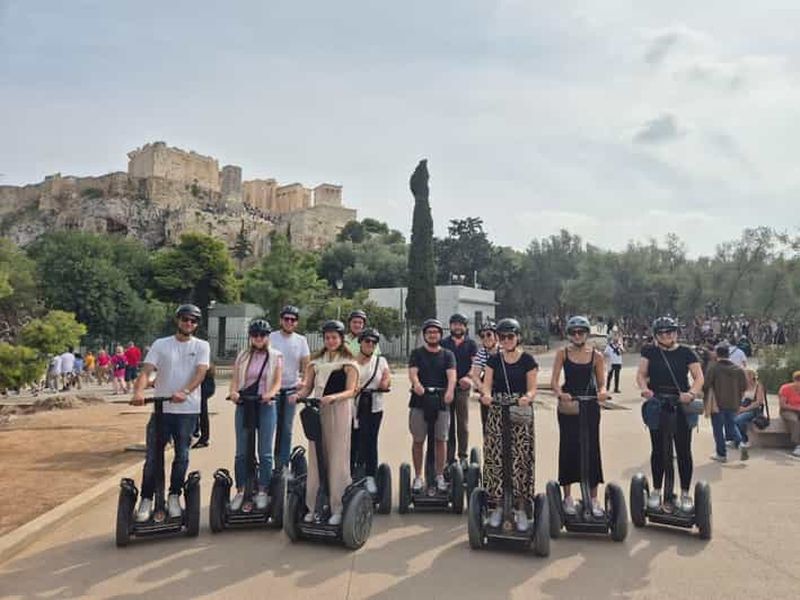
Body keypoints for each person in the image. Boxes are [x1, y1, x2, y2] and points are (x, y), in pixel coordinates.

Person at [131, 304, 210, 522]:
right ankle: (147, 499)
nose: (189, 324)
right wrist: (138, 391)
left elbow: (200, 373)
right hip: (162, 410)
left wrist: (185, 391)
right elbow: (147, 370)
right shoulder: (161, 344)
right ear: (178, 320)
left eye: (193, 321)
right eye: (185, 319)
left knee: (182, 455)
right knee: (153, 457)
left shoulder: (202, 346)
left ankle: (174, 495)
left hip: (187, 410)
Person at [636, 316, 704, 513]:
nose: (666, 336)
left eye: (670, 332)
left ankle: (684, 493)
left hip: (680, 403)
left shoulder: (686, 352)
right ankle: (657, 490)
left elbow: (698, 376)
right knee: (658, 449)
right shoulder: (650, 351)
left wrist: (691, 393)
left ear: (676, 333)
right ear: (656, 335)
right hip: (658, 402)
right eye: (662, 333)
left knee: (683, 449)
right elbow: (641, 374)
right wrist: (644, 389)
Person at [295, 320, 358, 525]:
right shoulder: (316, 362)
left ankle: (338, 507)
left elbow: (352, 390)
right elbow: (307, 387)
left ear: (341, 339)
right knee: (316, 455)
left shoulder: (349, 363)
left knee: (338, 456)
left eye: (334, 337)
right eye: (327, 337)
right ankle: (314, 505)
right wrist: (297, 396)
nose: (330, 341)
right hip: (318, 409)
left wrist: (335, 397)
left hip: (339, 409)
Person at [480, 318, 539, 532]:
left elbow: (532, 388)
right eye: (502, 337)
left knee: (521, 458)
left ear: (517, 337)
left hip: (519, 411)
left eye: (510, 336)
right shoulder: (494, 360)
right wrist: (486, 396)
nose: (506, 340)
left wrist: (527, 397)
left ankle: (521, 508)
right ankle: (497, 507)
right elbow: (486, 386)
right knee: (496, 458)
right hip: (497, 410)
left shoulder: (528, 360)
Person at [550, 315, 609, 518]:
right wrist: (560, 393)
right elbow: (555, 382)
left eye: (581, 332)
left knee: (592, 448)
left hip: (590, 405)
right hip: (569, 405)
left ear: (586, 333)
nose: (577, 335)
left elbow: (602, 382)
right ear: (569, 335)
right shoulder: (562, 353)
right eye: (574, 333)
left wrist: (602, 392)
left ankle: (593, 498)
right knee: (568, 447)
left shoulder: (596, 356)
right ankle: (567, 496)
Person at [227, 319, 283, 509]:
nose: (259, 338)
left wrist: (271, 394)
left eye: (262, 335)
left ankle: (263, 489)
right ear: (250, 337)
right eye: (255, 335)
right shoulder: (242, 356)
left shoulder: (276, 356)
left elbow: (277, 381)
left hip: (265, 405)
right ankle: (241, 489)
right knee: (241, 452)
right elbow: (234, 379)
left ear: (268, 337)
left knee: (265, 451)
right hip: (245, 404)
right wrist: (233, 392)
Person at [407, 318, 456, 493]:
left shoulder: (447, 354)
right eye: (429, 332)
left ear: (440, 335)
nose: (432, 335)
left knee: (440, 439)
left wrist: (450, 391)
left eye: (435, 332)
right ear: (425, 335)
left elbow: (452, 375)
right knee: (418, 440)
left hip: (440, 401)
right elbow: (413, 373)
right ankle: (419, 476)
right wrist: (417, 385)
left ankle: (439, 475)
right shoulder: (417, 353)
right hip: (420, 401)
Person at [268, 305, 310, 468]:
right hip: (273, 390)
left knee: (286, 428)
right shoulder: (271, 337)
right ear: (281, 320)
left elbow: (307, 364)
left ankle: (283, 464)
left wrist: (304, 381)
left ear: (296, 323)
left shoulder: (301, 340)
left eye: (293, 320)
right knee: (270, 427)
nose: (289, 322)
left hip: (291, 388)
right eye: (286, 319)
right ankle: (269, 463)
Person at [351, 328, 392, 491]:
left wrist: (385, 383)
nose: (370, 345)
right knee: (353, 440)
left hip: (374, 406)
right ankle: (352, 473)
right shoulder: (351, 362)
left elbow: (387, 377)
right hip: (353, 407)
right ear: (360, 342)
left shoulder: (380, 362)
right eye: (367, 341)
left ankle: (370, 476)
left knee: (370, 440)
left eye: (374, 342)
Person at [441, 313, 478, 465]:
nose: (457, 327)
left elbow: (475, 365)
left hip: (462, 388)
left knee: (462, 423)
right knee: (447, 423)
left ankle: (463, 456)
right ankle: (449, 458)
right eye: (454, 324)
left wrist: (468, 377)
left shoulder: (471, 344)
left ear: (465, 326)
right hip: (446, 388)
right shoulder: (444, 343)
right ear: (450, 326)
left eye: (460, 324)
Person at [704, 344, 748, 462]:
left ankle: (721, 454)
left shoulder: (714, 368)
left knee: (718, 428)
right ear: (728, 354)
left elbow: (706, 384)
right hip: (734, 402)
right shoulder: (739, 369)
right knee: (731, 425)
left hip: (717, 403)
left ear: (717, 354)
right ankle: (741, 443)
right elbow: (744, 387)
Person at [470, 321, 498, 433]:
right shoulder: (481, 353)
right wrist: (484, 390)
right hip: (487, 392)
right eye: (482, 336)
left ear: (496, 335)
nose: (486, 338)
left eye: (489, 334)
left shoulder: (503, 350)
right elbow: (475, 376)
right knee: (487, 426)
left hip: (503, 392)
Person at [735, 369, 766, 450]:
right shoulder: (743, 386)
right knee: (729, 417)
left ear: (751, 376)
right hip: (742, 407)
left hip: (753, 410)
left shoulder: (758, 386)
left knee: (739, 420)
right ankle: (734, 438)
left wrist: (745, 409)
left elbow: (759, 402)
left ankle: (744, 440)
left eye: (745, 375)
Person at [193, 363, 215, 449]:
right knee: (199, 411)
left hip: (204, 386)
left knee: (202, 411)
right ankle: (197, 432)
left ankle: (203, 437)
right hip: (202, 386)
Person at [779, 371, 800, 457]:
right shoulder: (785, 388)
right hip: (788, 410)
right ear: (794, 381)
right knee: (794, 421)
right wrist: (797, 408)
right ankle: (797, 444)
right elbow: (783, 405)